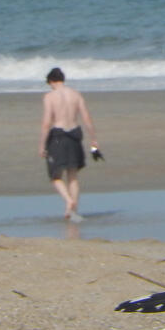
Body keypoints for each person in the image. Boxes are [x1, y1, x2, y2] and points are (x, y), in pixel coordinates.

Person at [39, 67, 100, 222]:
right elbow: (87, 119)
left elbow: (47, 123)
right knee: (73, 175)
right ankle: (73, 210)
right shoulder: (76, 95)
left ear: (51, 81)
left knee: (55, 175)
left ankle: (68, 201)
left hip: (58, 136)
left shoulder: (50, 96)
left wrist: (41, 145)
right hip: (74, 134)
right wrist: (94, 140)